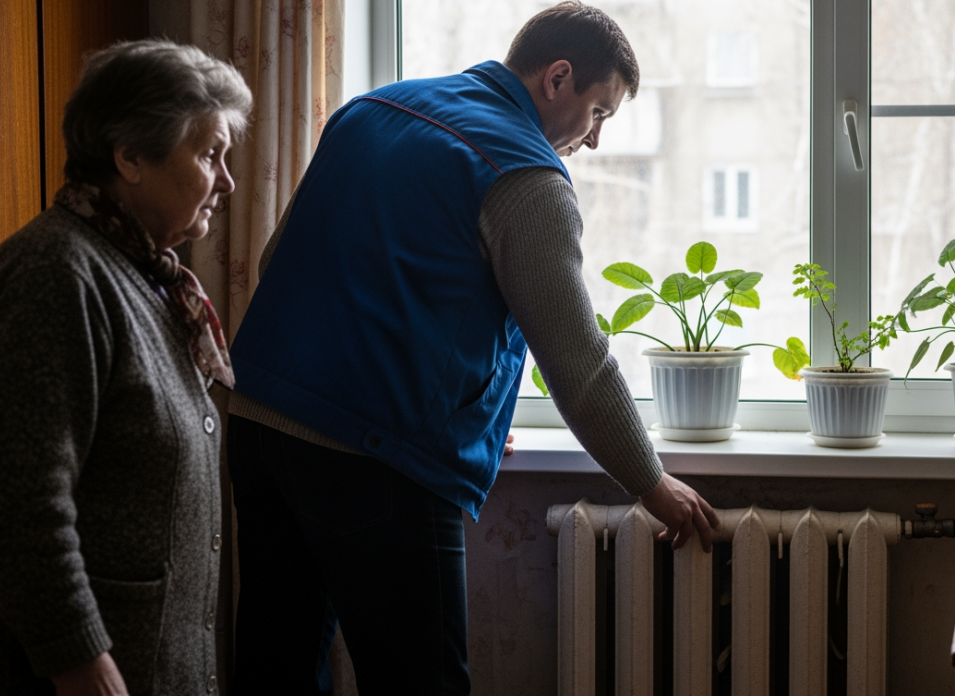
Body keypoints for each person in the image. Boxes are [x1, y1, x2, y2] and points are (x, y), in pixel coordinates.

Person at [225, 1, 719, 693]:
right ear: (558, 78)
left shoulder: (372, 110)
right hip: (374, 459)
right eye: (600, 112)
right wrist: (651, 482)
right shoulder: (525, 176)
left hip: (260, 426)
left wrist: (465, 415)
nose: (596, 138)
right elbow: (578, 361)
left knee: (276, 664)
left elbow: (307, 267)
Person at [0, 40, 251, 695]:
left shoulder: (141, 275)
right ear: (129, 156)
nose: (229, 180)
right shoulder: (58, 277)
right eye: (210, 153)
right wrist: (81, 663)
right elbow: (18, 503)